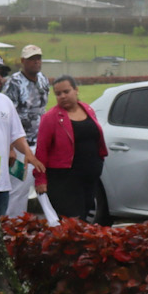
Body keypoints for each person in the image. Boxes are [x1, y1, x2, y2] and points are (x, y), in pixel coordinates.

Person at [34, 75, 108, 223]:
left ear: (76, 90)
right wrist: (40, 179)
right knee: (72, 220)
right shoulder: (50, 118)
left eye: (66, 92)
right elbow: (41, 151)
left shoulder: (87, 109)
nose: (62, 96)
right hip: (64, 180)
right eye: (58, 94)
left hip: (89, 176)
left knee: (85, 217)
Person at [0, 56, 33, 217]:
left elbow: (15, 135)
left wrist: (26, 153)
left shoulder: (5, 101)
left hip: (1, 182)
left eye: (2, 74)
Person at [4, 45, 50, 213]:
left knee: (40, 187)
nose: (36, 62)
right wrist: (10, 147)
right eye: (31, 59)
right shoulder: (14, 83)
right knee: (18, 190)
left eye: (38, 58)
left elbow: (43, 109)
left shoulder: (44, 79)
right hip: (20, 146)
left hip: (40, 143)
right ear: (23, 61)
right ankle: (11, 227)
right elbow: (6, 115)